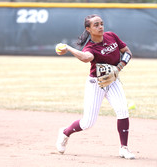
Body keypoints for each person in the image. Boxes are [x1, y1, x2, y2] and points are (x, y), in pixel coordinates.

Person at [55, 14, 135, 159]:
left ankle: (124, 148)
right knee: (88, 123)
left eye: (101, 24)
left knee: (123, 111)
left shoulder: (111, 36)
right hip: (95, 84)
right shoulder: (90, 47)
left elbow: (128, 52)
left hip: (113, 81)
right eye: (96, 25)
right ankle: (65, 132)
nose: (100, 27)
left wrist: (119, 67)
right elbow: (86, 58)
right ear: (88, 29)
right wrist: (68, 48)